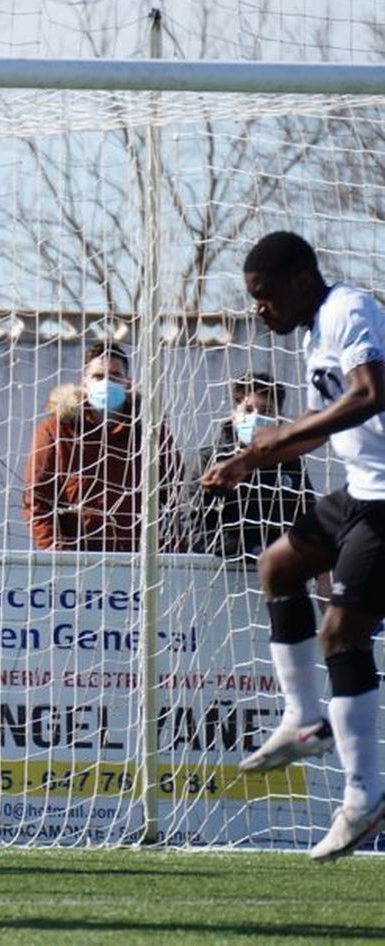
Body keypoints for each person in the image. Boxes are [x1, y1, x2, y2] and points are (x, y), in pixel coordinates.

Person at [203, 230, 385, 862]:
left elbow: (370, 393)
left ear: (301, 280)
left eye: (265, 295)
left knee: (341, 634)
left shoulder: (348, 309)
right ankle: (305, 719)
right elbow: (315, 430)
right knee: (279, 564)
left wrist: (273, 440)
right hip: (361, 490)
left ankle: (364, 799)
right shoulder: (314, 334)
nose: (260, 309)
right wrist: (247, 462)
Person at [22, 341, 183, 551]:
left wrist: (166, 553)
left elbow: (177, 496)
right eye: (98, 376)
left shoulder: (151, 432)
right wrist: (60, 555)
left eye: (115, 376)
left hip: (138, 559)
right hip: (75, 561)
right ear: (84, 384)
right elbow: (37, 501)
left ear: (127, 383)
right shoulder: (56, 430)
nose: (106, 383)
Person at [188, 371, 314, 561]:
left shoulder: (290, 463)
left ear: (279, 420)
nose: (256, 417)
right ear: (234, 415)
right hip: (223, 568)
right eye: (248, 410)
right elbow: (193, 525)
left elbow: (309, 520)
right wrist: (249, 552)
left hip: (280, 567)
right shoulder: (209, 460)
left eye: (266, 411)